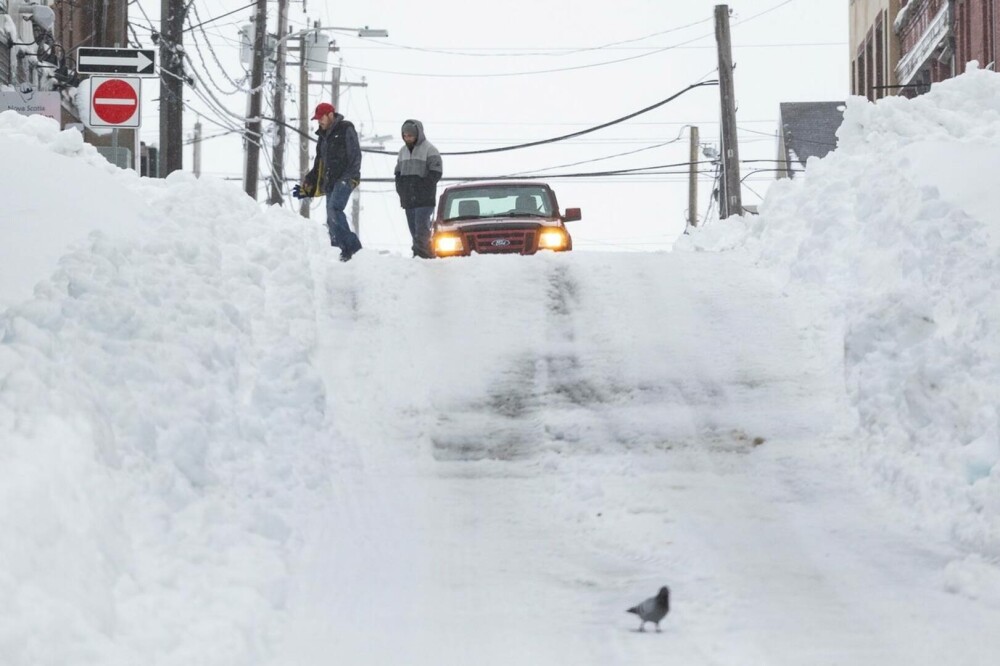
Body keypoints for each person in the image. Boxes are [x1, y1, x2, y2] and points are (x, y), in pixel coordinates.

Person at [293, 102, 363, 262]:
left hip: (346, 177)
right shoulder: (323, 137)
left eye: (321, 118)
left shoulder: (346, 129)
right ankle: (339, 251)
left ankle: (353, 249)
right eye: (317, 119)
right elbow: (319, 162)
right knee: (331, 218)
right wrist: (309, 180)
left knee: (334, 209)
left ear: (330, 115)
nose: (319, 122)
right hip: (330, 180)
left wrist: (351, 175)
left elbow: (355, 154)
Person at [394, 119, 442, 258]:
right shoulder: (402, 152)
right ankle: (422, 257)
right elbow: (397, 172)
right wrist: (401, 189)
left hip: (424, 200)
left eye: (410, 135)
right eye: (405, 135)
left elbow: (436, 172)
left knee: (421, 231)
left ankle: (423, 257)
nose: (407, 138)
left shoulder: (430, 149)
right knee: (413, 231)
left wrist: (421, 187)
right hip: (408, 200)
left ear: (417, 134)